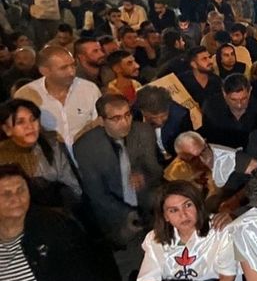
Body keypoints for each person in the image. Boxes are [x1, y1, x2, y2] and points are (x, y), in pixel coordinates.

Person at [74, 95, 162, 246]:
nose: (125, 123)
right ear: (102, 121)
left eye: (127, 115)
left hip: (148, 203)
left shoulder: (143, 131)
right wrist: (127, 214)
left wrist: (144, 177)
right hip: (114, 211)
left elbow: (156, 171)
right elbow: (97, 194)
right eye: (116, 118)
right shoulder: (86, 147)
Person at [14, 46, 101, 154]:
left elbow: (99, 125)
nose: (71, 72)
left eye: (73, 65)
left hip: (88, 157)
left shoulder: (90, 89)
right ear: (44, 71)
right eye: (64, 68)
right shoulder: (26, 95)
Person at [0, 99, 81, 208]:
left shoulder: (52, 145)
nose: (29, 126)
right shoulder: (3, 156)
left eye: (33, 119)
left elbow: (74, 188)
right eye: (20, 122)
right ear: (7, 129)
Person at [200, 73, 257, 149]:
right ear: (224, 93)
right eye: (233, 100)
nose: (239, 105)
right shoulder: (211, 108)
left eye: (244, 99)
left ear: (250, 91)